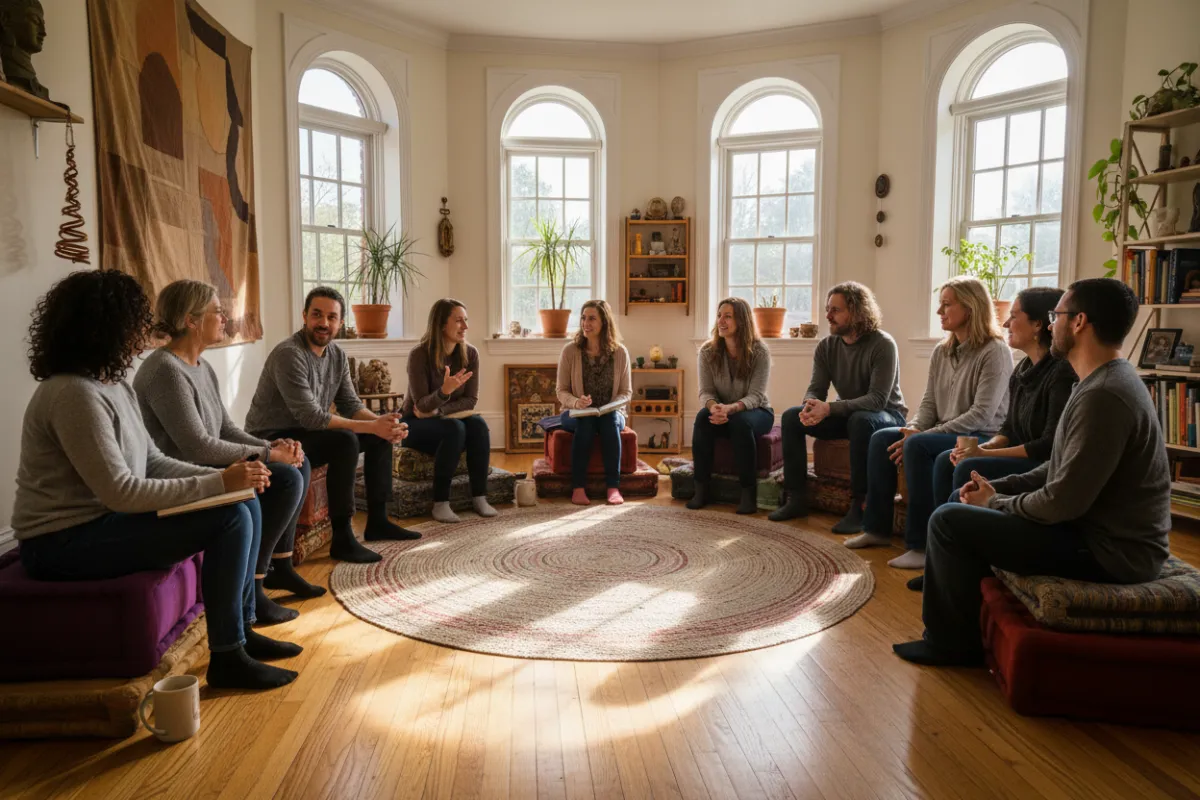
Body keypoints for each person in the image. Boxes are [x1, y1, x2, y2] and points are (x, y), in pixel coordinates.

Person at [13, 271, 300, 690]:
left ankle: (240, 632)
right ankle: (229, 656)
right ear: (105, 327)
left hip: (99, 523)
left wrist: (228, 478)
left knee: (241, 500)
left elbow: (154, 461)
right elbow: (123, 492)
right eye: (134, 323)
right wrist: (219, 484)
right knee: (230, 517)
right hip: (60, 543)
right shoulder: (72, 394)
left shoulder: (114, 387)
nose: (143, 333)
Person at [894, 278, 1170, 666]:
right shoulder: (1096, 384)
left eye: (1057, 315)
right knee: (962, 505)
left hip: (1111, 552)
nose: (1052, 322)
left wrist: (999, 502)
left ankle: (951, 644)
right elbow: (1056, 468)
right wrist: (996, 487)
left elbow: (1060, 503)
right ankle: (965, 624)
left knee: (948, 522)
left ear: (1079, 322)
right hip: (1091, 531)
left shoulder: (1104, 396)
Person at [134, 280, 325, 625]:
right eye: (216, 311)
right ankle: (256, 587)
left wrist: (273, 448)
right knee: (283, 478)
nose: (224, 317)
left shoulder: (201, 367)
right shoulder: (165, 370)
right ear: (191, 321)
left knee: (299, 463)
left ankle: (275, 569)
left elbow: (226, 429)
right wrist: (270, 457)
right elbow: (197, 446)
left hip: (205, 461)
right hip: (182, 473)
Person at [845, 276, 1012, 569]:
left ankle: (921, 545)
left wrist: (923, 435)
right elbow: (929, 404)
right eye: (940, 304)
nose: (940, 312)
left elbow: (981, 415)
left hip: (979, 436)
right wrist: (915, 428)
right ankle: (877, 528)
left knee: (920, 445)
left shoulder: (995, 351)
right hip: (943, 431)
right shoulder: (942, 351)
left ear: (970, 308)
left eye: (947, 305)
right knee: (882, 437)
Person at [245, 286, 416, 565]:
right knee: (345, 441)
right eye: (317, 315)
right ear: (304, 316)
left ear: (340, 322)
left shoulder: (337, 355)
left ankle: (378, 520)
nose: (324, 323)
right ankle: (343, 537)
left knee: (377, 437)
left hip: (309, 433)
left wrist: (383, 425)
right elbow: (311, 417)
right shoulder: (289, 354)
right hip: (273, 436)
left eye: (331, 317)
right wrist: (371, 427)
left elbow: (350, 403)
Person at [769, 282, 907, 530]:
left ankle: (859, 506)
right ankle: (796, 498)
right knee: (791, 418)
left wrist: (829, 409)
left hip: (887, 416)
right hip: (852, 414)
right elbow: (816, 388)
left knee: (861, 419)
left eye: (835, 310)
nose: (827, 316)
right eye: (827, 309)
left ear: (856, 312)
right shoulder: (827, 346)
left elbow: (877, 400)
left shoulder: (883, 344)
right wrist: (809, 406)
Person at [932, 287, 1077, 503]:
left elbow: (1048, 445)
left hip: (1044, 465)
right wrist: (980, 448)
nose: (1006, 323)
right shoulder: (1021, 370)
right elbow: (1008, 429)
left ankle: (959, 526)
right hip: (1024, 455)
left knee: (968, 466)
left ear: (1037, 324)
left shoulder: (1062, 373)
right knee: (947, 460)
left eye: (1014, 316)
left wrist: (983, 455)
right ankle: (940, 529)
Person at [400, 299, 496, 522]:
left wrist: (438, 410)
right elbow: (420, 406)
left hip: (441, 418)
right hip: (413, 425)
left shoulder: (470, 354)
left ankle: (479, 496)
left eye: (466, 320)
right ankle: (441, 502)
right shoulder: (419, 355)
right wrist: (444, 391)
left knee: (478, 425)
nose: (465, 326)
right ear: (441, 324)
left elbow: (470, 401)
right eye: (459, 320)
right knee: (455, 429)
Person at [687, 297, 774, 515]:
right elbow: (705, 391)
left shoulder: (759, 351)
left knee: (740, 423)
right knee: (701, 419)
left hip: (757, 412)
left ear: (742, 320)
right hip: (722, 411)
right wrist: (714, 407)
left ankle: (748, 492)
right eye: (719, 316)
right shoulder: (707, 352)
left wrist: (731, 409)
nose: (721, 321)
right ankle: (701, 488)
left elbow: (756, 395)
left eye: (728, 316)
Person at [555, 300, 633, 505]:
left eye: (591, 318)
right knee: (586, 423)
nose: (585, 323)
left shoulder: (620, 352)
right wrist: (576, 402)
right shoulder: (570, 351)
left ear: (604, 322)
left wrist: (611, 407)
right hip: (576, 413)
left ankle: (613, 487)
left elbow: (626, 392)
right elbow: (561, 391)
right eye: (583, 318)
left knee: (609, 422)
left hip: (611, 413)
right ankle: (578, 487)